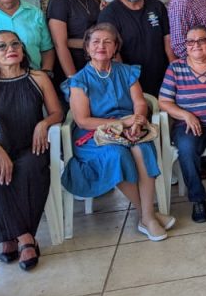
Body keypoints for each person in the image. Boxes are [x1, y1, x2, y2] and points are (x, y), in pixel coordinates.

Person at [61, 23, 175, 241]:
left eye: (107, 41)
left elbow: (140, 103)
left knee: (142, 147)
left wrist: (138, 121)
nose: (101, 46)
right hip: (95, 136)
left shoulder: (126, 71)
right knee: (116, 154)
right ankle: (148, 215)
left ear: (115, 47)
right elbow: (83, 121)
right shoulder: (79, 81)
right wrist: (121, 124)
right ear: (87, 47)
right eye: (95, 42)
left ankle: (147, 216)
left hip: (129, 128)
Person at [0, 31, 64, 270]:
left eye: (15, 44)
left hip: (30, 145)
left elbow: (57, 112)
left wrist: (44, 123)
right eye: (2, 46)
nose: (10, 49)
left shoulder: (38, 77)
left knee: (30, 169)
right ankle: (25, 237)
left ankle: (10, 236)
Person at [158, 25, 206, 223]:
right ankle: (198, 200)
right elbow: (164, 101)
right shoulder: (175, 68)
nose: (196, 45)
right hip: (189, 124)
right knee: (186, 148)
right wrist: (185, 115)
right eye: (191, 42)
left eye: (201, 40)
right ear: (185, 46)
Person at [97, 0, 177, 97]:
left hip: (163, 77)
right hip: (132, 82)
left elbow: (167, 40)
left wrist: (174, 70)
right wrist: (126, 82)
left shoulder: (157, 6)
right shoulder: (109, 14)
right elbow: (112, 52)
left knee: (164, 116)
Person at [46, 0, 103, 94]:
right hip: (72, 65)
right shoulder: (58, 1)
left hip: (96, 65)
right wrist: (73, 79)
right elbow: (60, 45)